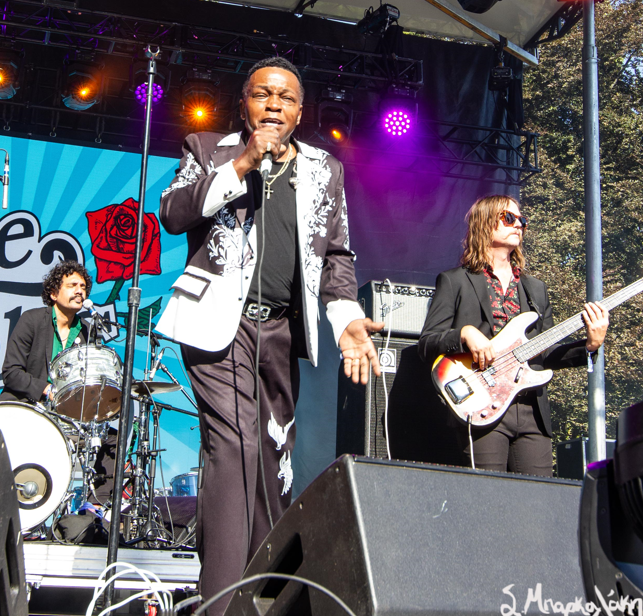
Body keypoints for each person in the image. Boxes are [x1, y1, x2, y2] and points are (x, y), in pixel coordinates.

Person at [156, 56, 383, 615]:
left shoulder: (324, 169)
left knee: (272, 461)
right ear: (244, 105)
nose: (274, 105)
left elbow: (337, 255)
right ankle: (220, 602)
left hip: (281, 330)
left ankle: (266, 595)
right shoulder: (207, 148)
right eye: (263, 94)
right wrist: (242, 164)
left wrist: (347, 320)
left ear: (301, 113)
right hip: (217, 325)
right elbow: (174, 213)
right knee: (235, 445)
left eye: (286, 98)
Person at [418, 194, 608, 476]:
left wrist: (591, 345)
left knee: (538, 497)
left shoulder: (536, 289)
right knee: (488, 495)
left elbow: (546, 353)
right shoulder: (455, 281)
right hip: (481, 403)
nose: (519, 224)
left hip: (532, 411)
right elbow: (427, 343)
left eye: (522, 220)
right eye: (509, 218)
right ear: (484, 223)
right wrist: (465, 334)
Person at [0, 259, 92, 404]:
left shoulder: (88, 330)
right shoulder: (32, 320)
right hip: (23, 405)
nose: (79, 291)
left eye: (83, 287)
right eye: (72, 285)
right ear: (54, 294)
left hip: (64, 413)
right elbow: (11, 372)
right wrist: (46, 389)